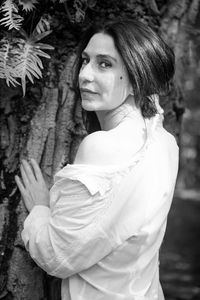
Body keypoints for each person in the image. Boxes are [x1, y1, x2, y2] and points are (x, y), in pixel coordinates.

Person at [15, 18, 179, 300]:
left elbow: (58, 256)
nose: (85, 75)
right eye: (86, 60)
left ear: (137, 75)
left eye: (105, 64)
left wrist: (41, 209)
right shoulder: (165, 142)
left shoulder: (101, 146)